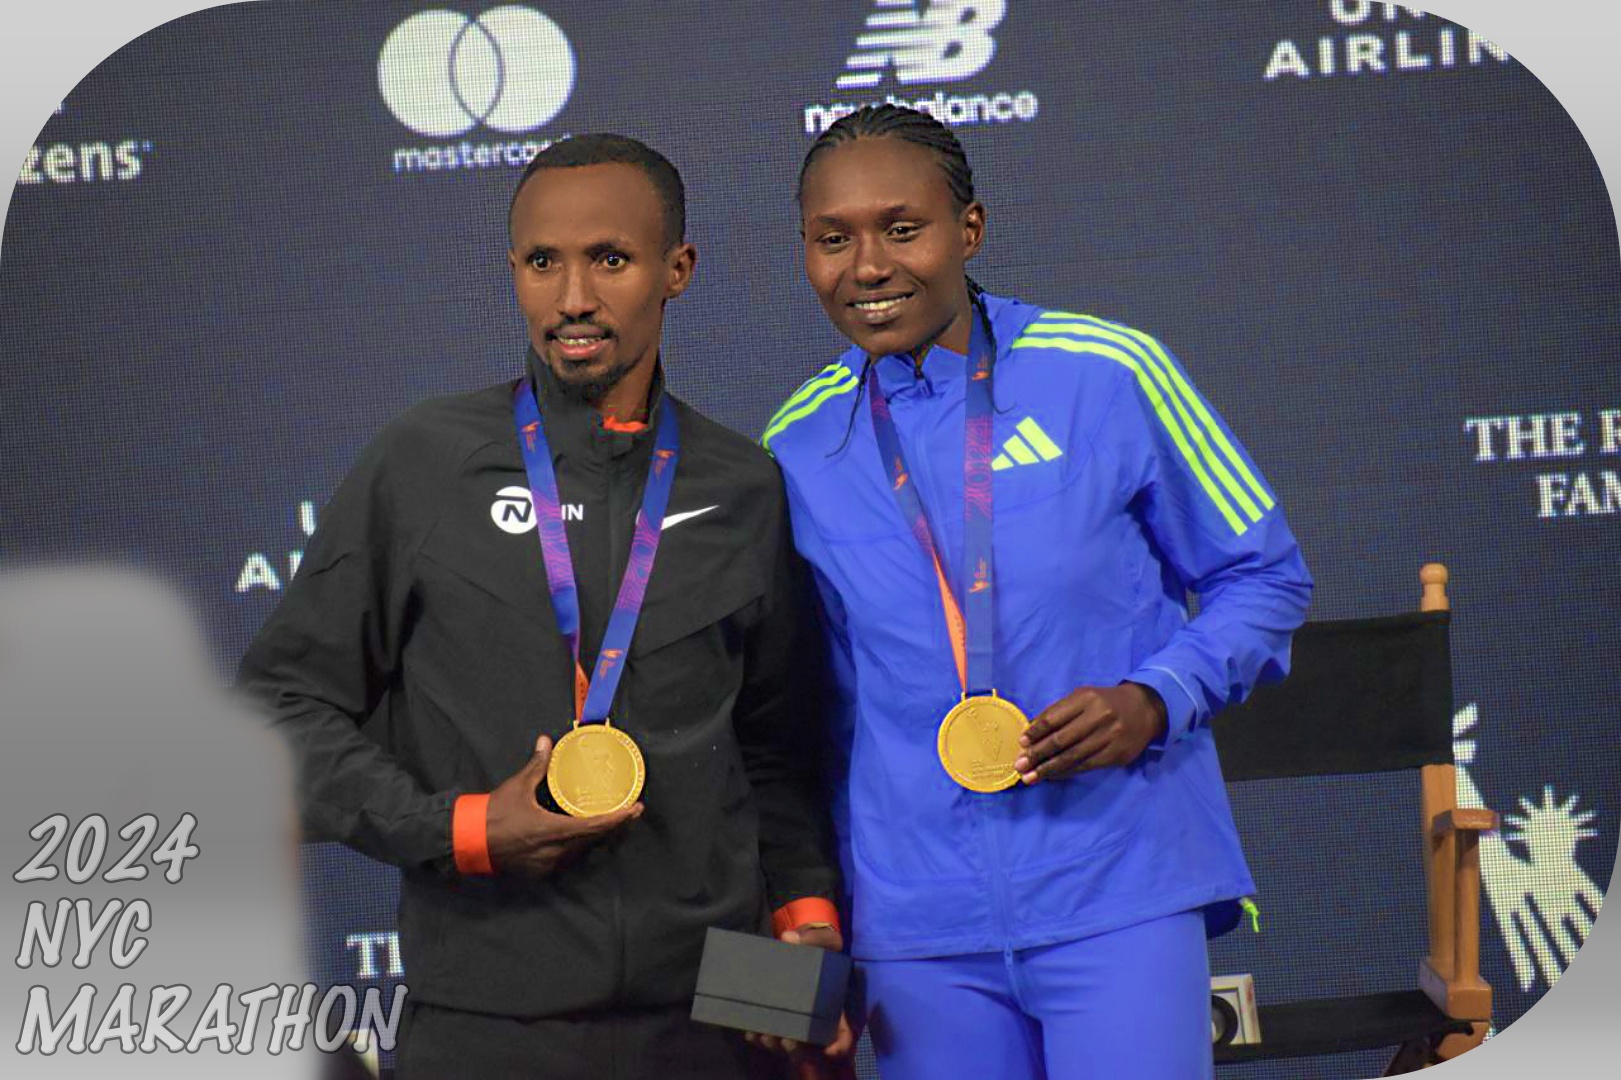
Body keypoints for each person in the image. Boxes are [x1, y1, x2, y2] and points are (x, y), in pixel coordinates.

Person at [239, 134, 845, 1080]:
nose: (572, 298)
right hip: (484, 1017)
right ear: (512, 270)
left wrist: (802, 944)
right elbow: (277, 714)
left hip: (715, 1020)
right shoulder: (426, 462)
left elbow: (773, 756)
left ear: (676, 269)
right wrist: (465, 830)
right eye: (541, 263)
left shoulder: (741, 485)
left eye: (610, 259)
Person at [763, 105, 1314, 1080]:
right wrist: (796, 944)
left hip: (1117, 883)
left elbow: (1262, 577)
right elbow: (788, 724)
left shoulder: (1106, 373)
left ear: (967, 230)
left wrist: (1158, 699)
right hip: (914, 926)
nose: (868, 265)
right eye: (831, 238)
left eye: (903, 227)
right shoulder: (793, 447)